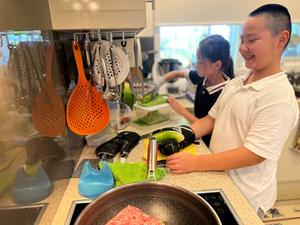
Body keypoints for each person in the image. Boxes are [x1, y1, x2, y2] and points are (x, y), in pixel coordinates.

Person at [165, 4, 299, 216]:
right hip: (219, 178)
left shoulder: (279, 96)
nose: (243, 47)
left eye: (252, 40)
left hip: (246, 195)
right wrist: (178, 136)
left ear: (281, 39)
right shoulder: (237, 82)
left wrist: (196, 162)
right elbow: (210, 120)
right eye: (242, 40)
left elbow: (253, 154)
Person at [160, 35, 234, 147]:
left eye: (200, 62)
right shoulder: (202, 77)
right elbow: (179, 73)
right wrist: (158, 82)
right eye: (197, 59)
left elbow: (209, 129)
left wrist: (181, 110)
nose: (196, 65)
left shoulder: (227, 92)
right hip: (197, 136)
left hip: (210, 146)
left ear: (217, 65)